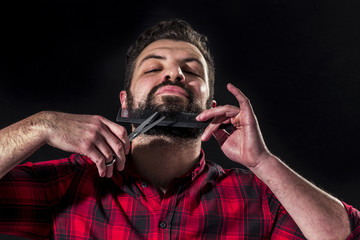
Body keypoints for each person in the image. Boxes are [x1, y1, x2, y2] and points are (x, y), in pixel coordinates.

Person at [0, 19, 359, 240]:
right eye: (154, 68)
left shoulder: (257, 197)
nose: (174, 75)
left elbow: (342, 235)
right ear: (125, 102)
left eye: (192, 69)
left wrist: (263, 162)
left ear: (213, 108)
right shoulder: (73, 183)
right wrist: (40, 125)